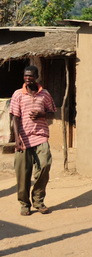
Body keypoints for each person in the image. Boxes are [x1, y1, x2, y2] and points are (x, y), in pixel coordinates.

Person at [10, 65, 56, 216]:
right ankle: (24, 204)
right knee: (23, 174)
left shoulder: (45, 94)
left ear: (37, 76)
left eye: (30, 75)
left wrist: (42, 114)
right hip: (23, 139)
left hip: (41, 136)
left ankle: (38, 200)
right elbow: (15, 118)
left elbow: (52, 113)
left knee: (45, 165)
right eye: (25, 76)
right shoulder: (18, 94)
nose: (28, 78)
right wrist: (17, 139)